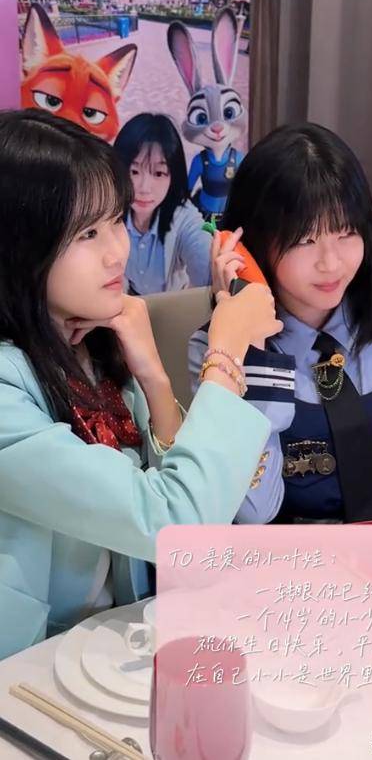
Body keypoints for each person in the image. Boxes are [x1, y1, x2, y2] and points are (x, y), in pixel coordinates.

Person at [0, 109, 281, 658]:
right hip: (27, 668)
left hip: (114, 644)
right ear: (20, 247)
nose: (117, 251)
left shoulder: (89, 342)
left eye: (116, 221)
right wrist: (225, 353)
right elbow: (177, 523)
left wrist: (152, 374)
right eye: (87, 233)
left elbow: (191, 526)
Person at [189, 123, 372, 525]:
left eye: (346, 232)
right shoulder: (218, 354)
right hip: (288, 560)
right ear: (249, 246)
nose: (331, 263)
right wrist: (255, 354)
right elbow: (253, 513)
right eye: (305, 240)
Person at [113, 113, 211, 294]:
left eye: (158, 173)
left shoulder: (184, 218)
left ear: (173, 176)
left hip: (172, 306)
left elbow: (206, 262)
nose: (144, 188)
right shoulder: (109, 213)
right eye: (134, 172)